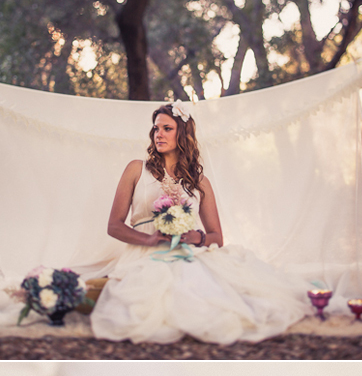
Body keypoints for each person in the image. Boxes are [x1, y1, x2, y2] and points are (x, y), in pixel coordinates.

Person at [90, 101, 310, 345]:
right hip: (144, 255)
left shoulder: (200, 182)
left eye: (166, 128)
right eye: (155, 128)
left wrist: (199, 238)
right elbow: (114, 225)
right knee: (150, 304)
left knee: (210, 296)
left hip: (185, 253)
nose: (158, 134)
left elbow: (217, 236)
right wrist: (149, 239)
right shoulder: (136, 169)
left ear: (182, 134)